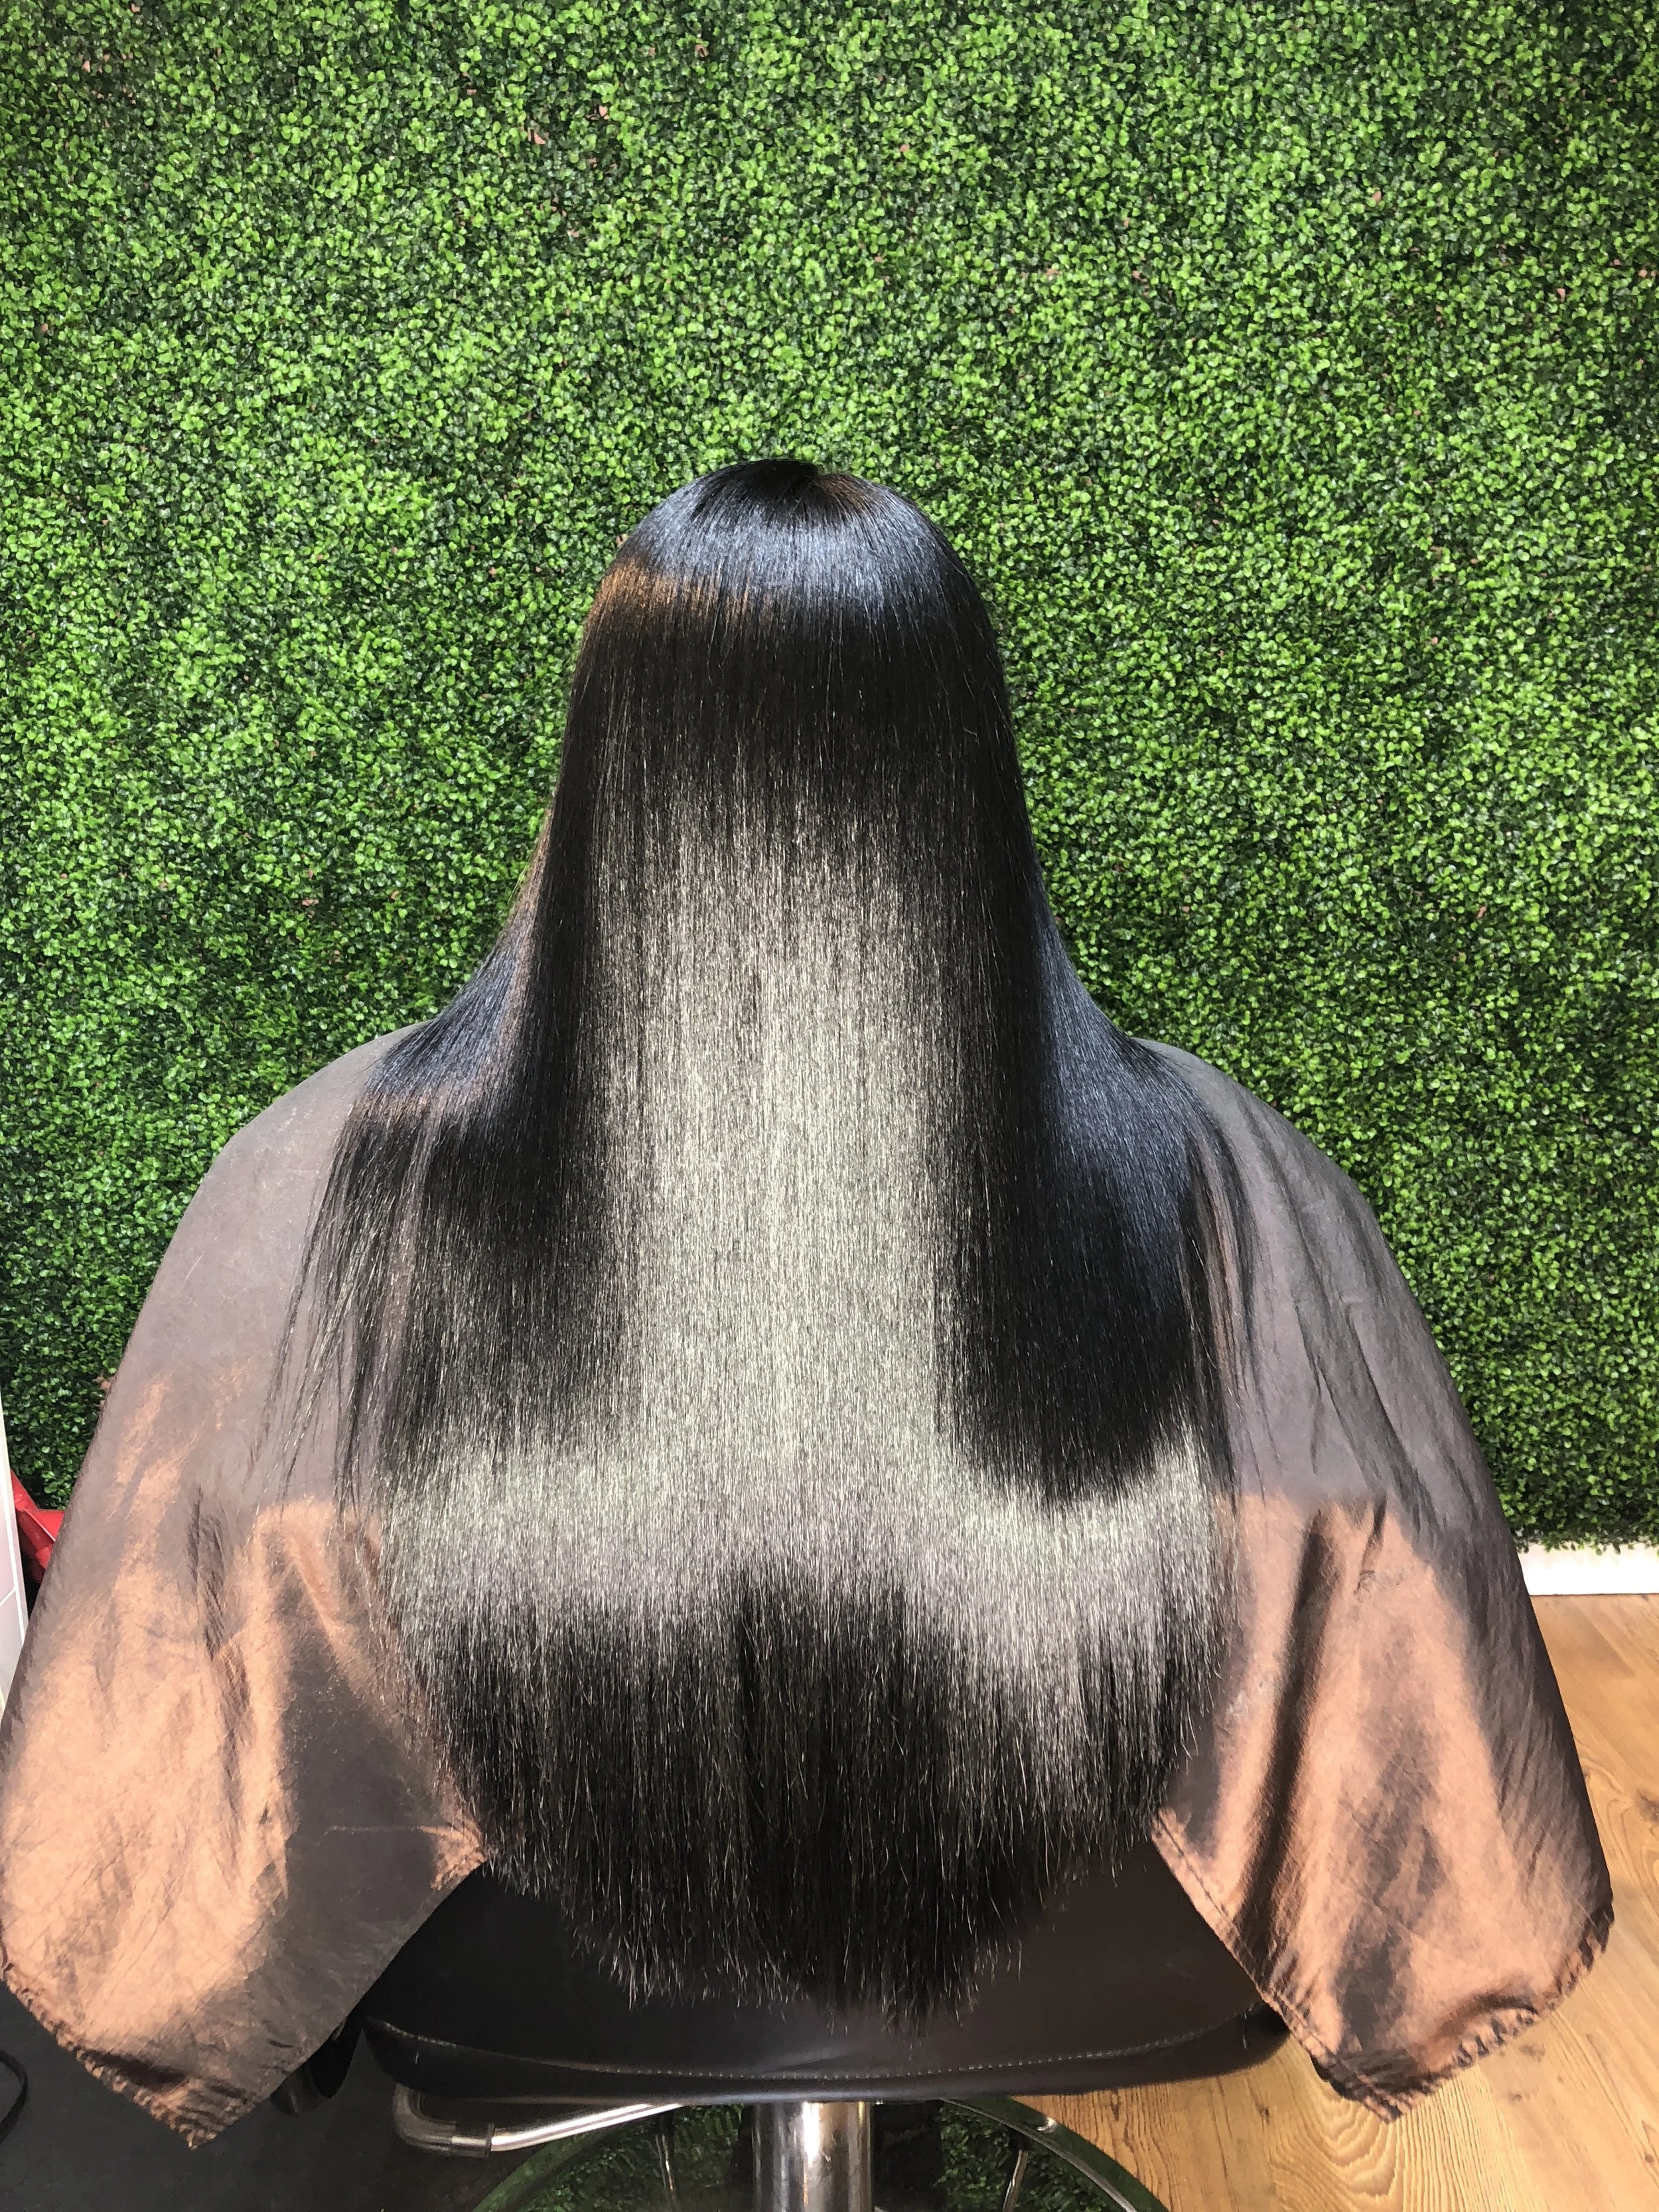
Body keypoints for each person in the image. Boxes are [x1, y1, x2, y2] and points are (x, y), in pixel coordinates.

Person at [0, 463, 1609, 2145]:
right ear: (964, 771)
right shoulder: (1230, 1171)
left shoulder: (311, 1173)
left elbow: (183, 1692)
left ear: (607, 766)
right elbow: (1390, 1636)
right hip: (1111, 1982)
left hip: (505, 1996)